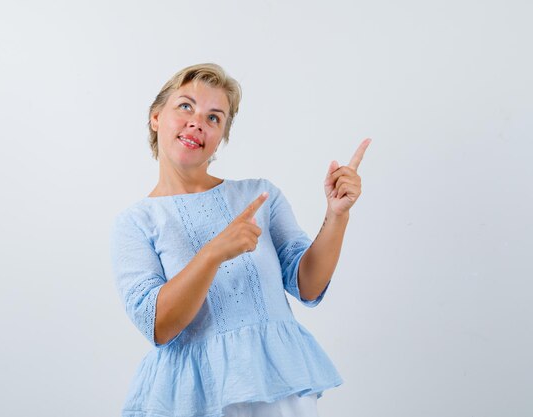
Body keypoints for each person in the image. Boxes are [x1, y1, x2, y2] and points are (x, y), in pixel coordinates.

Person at [110, 63, 371, 417]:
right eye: (185, 106)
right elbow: (158, 326)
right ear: (156, 117)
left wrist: (337, 214)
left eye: (214, 117)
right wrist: (214, 253)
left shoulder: (259, 196)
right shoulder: (135, 223)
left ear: (221, 138)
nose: (197, 122)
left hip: (279, 390)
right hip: (195, 399)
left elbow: (308, 286)